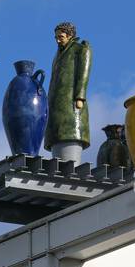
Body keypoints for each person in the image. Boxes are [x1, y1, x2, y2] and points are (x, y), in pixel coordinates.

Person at [44, 21, 92, 164]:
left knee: (69, 131)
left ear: (70, 36)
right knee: (56, 132)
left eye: (61, 37)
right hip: (56, 101)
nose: (58, 40)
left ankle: (70, 164)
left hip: (71, 101)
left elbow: (83, 73)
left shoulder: (80, 49)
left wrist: (80, 97)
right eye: (56, 38)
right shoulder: (56, 55)